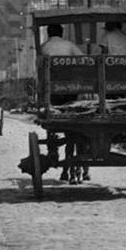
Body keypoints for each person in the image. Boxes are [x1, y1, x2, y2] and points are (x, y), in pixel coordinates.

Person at [41, 24, 87, 181]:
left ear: (48, 34)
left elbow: (39, 68)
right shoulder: (69, 45)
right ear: (62, 33)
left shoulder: (44, 47)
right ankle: (81, 169)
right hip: (70, 91)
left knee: (53, 117)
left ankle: (52, 148)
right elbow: (84, 60)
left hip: (52, 92)